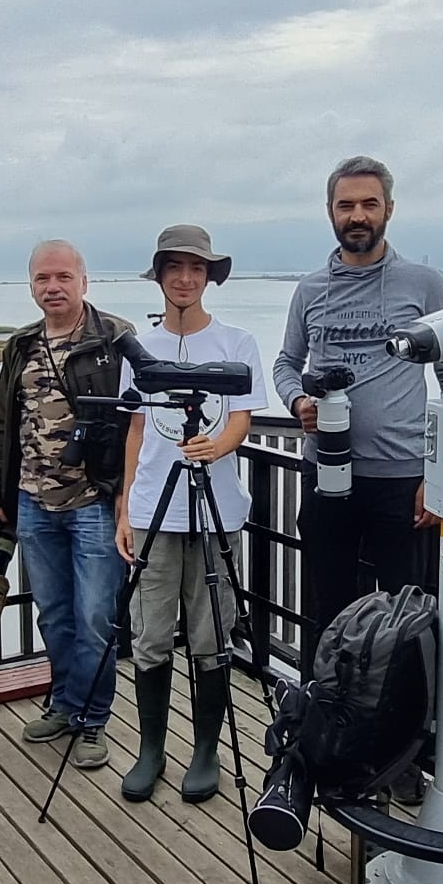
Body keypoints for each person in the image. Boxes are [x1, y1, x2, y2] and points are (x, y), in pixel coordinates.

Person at [272, 155, 443, 673]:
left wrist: (439, 476)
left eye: (369, 204)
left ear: (389, 210)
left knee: (405, 618)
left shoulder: (423, 284)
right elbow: (286, 363)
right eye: (346, 205)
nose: (358, 215)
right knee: (325, 611)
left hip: (402, 481)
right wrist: (298, 403)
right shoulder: (310, 289)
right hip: (326, 474)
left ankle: (401, 739)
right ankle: (322, 728)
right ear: (330, 212)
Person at [113, 226, 268, 803]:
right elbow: (134, 428)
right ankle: (150, 747)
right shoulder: (138, 347)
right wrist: (126, 506)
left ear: (209, 277)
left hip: (216, 511)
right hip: (154, 511)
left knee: (210, 634)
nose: (185, 278)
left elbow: (242, 417)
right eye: (174, 267)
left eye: (196, 268)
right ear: (159, 275)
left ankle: (206, 752)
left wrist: (217, 446)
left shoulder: (237, 342)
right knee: (150, 635)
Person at [0, 240, 134, 771]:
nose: (53, 287)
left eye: (63, 277)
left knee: (95, 617)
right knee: (55, 613)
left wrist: (126, 501)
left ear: (84, 282)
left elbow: (134, 424)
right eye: (43, 279)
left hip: (93, 501)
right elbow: (4, 425)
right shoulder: (21, 344)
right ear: (31, 287)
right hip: (32, 502)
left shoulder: (115, 338)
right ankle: (65, 704)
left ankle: (94, 720)